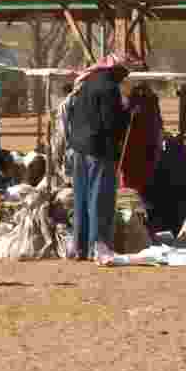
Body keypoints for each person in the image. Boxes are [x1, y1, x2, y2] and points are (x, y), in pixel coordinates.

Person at [67, 54, 134, 264]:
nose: (125, 77)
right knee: (100, 199)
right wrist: (129, 112)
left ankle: (79, 247)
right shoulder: (108, 89)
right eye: (124, 72)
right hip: (99, 151)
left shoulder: (87, 84)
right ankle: (99, 246)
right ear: (115, 70)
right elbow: (111, 124)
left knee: (82, 197)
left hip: (79, 148)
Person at [52, 83, 75, 186]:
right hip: (78, 142)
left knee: (68, 171)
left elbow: (63, 127)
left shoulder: (65, 105)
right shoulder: (79, 101)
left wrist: (60, 147)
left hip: (69, 142)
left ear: (64, 93)